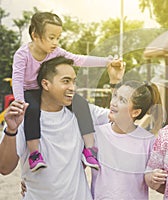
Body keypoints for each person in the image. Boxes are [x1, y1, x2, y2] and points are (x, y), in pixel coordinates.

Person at [0, 56, 123, 199]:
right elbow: (4, 168)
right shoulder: (25, 118)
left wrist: (115, 82)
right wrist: (11, 131)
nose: (72, 87)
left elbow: (120, 118)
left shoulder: (82, 112)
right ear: (46, 84)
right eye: (66, 81)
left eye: (74, 81)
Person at [12, 11, 122, 172]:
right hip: (30, 91)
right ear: (35, 35)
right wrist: (20, 101)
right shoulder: (22, 55)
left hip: (50, 90)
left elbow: (79, 59)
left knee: (81, 104)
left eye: (58, 37)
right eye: (51, 38)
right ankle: (35, 153)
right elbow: (17, 79)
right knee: (32, 110)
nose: (56, 42)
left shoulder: (55, 52)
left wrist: (107, 62)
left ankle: (89, 149)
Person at [88, 80, 163, 199]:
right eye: (115, 96)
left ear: (136, 112)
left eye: (122, 100)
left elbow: (154, 182)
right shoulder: (97, 134)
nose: (113, 103)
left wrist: (154, 177)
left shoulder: (148, 141)